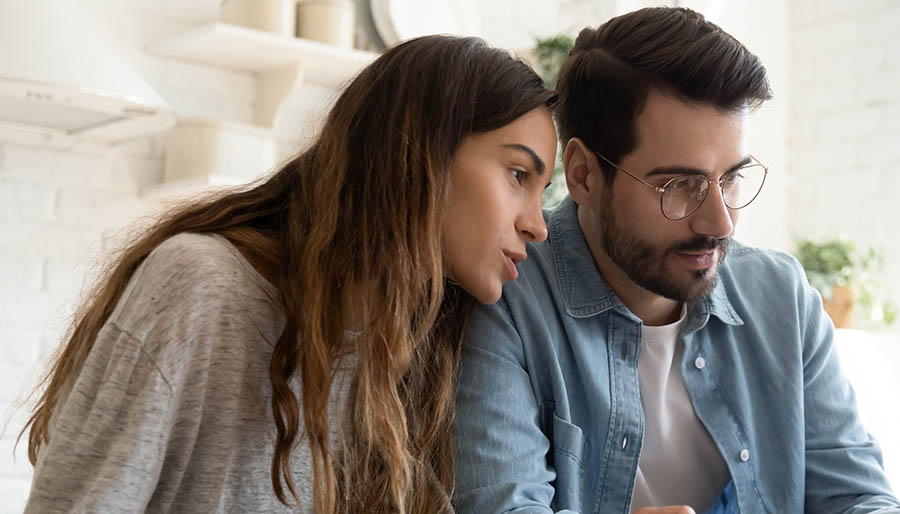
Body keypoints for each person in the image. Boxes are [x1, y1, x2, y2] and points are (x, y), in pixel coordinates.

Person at [21, 35, 557, 514]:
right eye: (517, 175)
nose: (538, 225)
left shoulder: (408, 348)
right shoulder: (199, 286)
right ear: (424, 155)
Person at [452, 8, 900, 514]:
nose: (721, 223)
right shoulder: (504, 299)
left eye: (732, 178)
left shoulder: (782, 297)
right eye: (679, 186)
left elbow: (858, 497)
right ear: (583, 174)